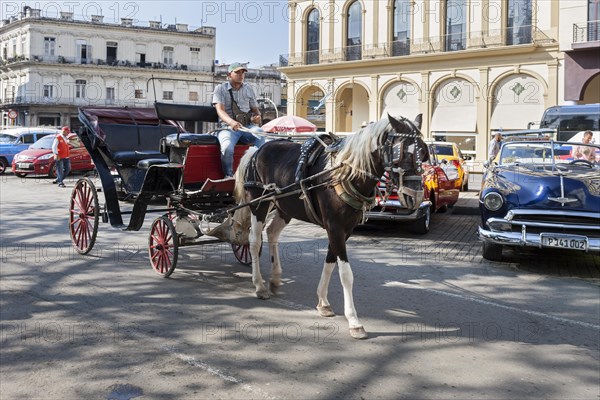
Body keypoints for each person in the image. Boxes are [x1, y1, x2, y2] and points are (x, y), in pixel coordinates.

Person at [212, 62, 265, 178]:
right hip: (228, 128)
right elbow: (220, 110)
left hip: (247, 127)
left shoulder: (248, 89)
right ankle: (229, 176)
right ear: (229, 74)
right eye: (237, 72)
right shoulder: (220, 89)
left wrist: (257, 118)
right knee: (227, 148)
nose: (241, 75)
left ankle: (252, 170)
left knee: (261, 134)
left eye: (243, 72)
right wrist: (231, 122)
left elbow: (255, 110)